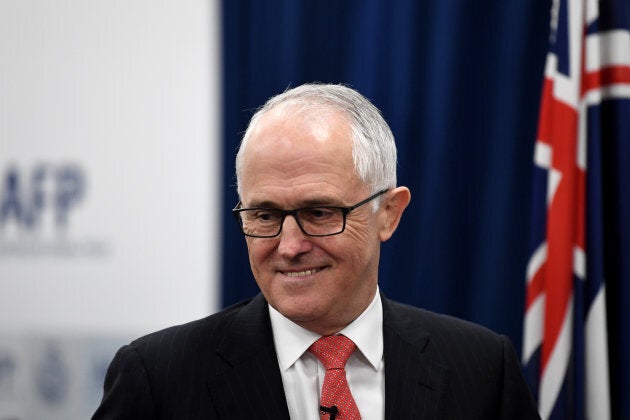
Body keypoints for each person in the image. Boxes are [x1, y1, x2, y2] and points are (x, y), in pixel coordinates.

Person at [93, 83, 540, 419]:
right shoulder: (159, 380)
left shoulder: (481, 370)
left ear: (389, 212)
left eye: (320, 212)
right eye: (264, 216)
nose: (288, 247)